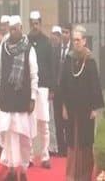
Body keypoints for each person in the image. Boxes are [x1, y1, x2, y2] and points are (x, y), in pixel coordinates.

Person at [0, 15, 38, 181]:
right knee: (9, 135)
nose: (13, 32)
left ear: (21, 28)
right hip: (6, 98)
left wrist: (33, 97)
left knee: (24, 138)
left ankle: (24, 171)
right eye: (11, 29)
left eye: (16, 28)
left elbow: (34, 75)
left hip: (23, 100)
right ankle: (12, 170)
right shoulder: (3, 48)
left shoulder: (29, 49)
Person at [61, 25, 104, 181]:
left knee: (85, 142)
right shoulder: (69, 58)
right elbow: (63, 83)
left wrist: (94, 108)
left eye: (78, 40)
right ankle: (71, 175)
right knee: (72, 142)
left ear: (84, 41)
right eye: (74, 40)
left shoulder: (90, 60)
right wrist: (64, 106)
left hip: (86, 109)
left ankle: (85, 176)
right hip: (71, 109)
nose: (76, 43)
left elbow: (95, 85)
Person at [28, 10, 53, 168]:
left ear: (40, 23)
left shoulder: (46, 41)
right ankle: (29, 157)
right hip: (30, 88)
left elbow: (51, 66)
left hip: (43, 87)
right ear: (30, 24)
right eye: (33, 23)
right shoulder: (26, 40)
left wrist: (51, 89)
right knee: (30, 123)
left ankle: (45, 156)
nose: (35, 26)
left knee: (44, 124)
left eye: (37, 23)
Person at [53, 23, 71, 157]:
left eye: (66, 32)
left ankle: (69, 146)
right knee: (58, 119)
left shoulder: (73, 51)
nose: (64, 35)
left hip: (69, 91)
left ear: (70, 34)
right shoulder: (56, 49)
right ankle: (61, 148)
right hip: (57, 90)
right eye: (63, 32)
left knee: (68, 120)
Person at [48, 25, 62, 155]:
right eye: (53, 34)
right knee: (51, 119)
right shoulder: (49, 49)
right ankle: (52, 147)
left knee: (59, 119)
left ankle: (58, 146)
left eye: (57, 35)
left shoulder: (61, 51)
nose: (54, 37)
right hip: (52, 90)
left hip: (60, 91)